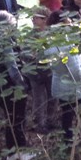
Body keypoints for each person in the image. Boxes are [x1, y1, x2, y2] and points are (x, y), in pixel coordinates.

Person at [45, 10, 81, 157]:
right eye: (68, 23)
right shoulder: (66, 44)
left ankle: (68, 145)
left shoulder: (49, 44)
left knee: (67, 115)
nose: (71, 25)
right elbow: (76, 69)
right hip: (74, 86)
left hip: (61, 86)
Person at [0, 11, 34, 160]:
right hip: (10, 87)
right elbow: (12, 67)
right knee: (17, 118)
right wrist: (23, 84)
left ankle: (12, 153)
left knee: (10, 118)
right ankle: (21, 152)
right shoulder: (4, 41)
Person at [22, 7, 58, 135]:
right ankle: (40, 125)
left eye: (36, 18)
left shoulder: (52, 34)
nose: (33, 20)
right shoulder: (29, 36)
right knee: (39, 100)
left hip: (50, 71)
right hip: (35, 73)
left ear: (44, 20)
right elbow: (24, 54)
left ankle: (51, 121)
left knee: (53, 97)